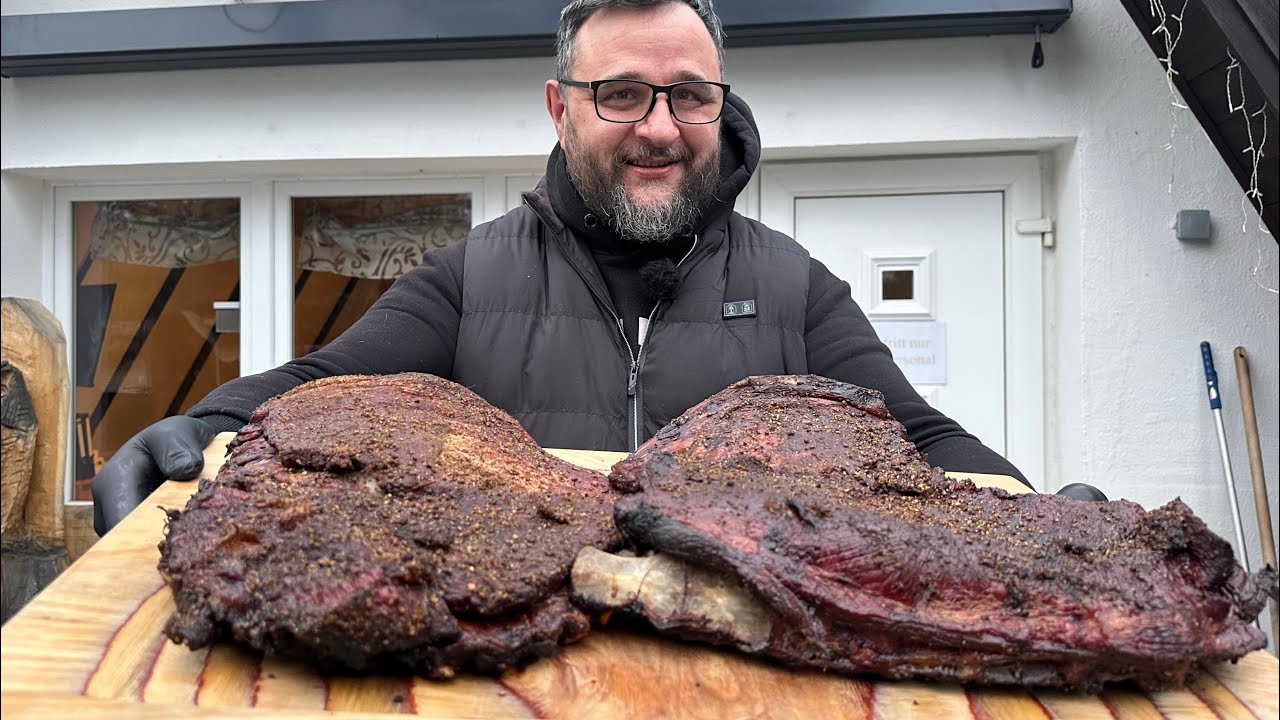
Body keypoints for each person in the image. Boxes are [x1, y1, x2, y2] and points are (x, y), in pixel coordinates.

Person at [92, 0, 1101, 536]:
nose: (658, 128)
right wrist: (202, 426)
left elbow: (921, 442)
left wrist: (1042, 525)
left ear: (719, 103)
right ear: (558, 106)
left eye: (687, 96)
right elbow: (321, 386)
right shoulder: (469, 279)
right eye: (619, 94)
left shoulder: (795, 289)